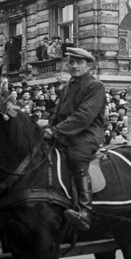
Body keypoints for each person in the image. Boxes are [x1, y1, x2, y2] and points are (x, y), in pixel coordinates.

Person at [44, 46, 106, 231]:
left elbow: (84, 116)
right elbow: (57, 113)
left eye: (79, 62)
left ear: (87, 65)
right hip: (65, 134)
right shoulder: (66, 88)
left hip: (86, 134)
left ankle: (85, 212)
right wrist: (47, 127)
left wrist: (56, 131)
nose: (74, 66)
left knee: (77, 158)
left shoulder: (95, 86)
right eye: (71, 62)